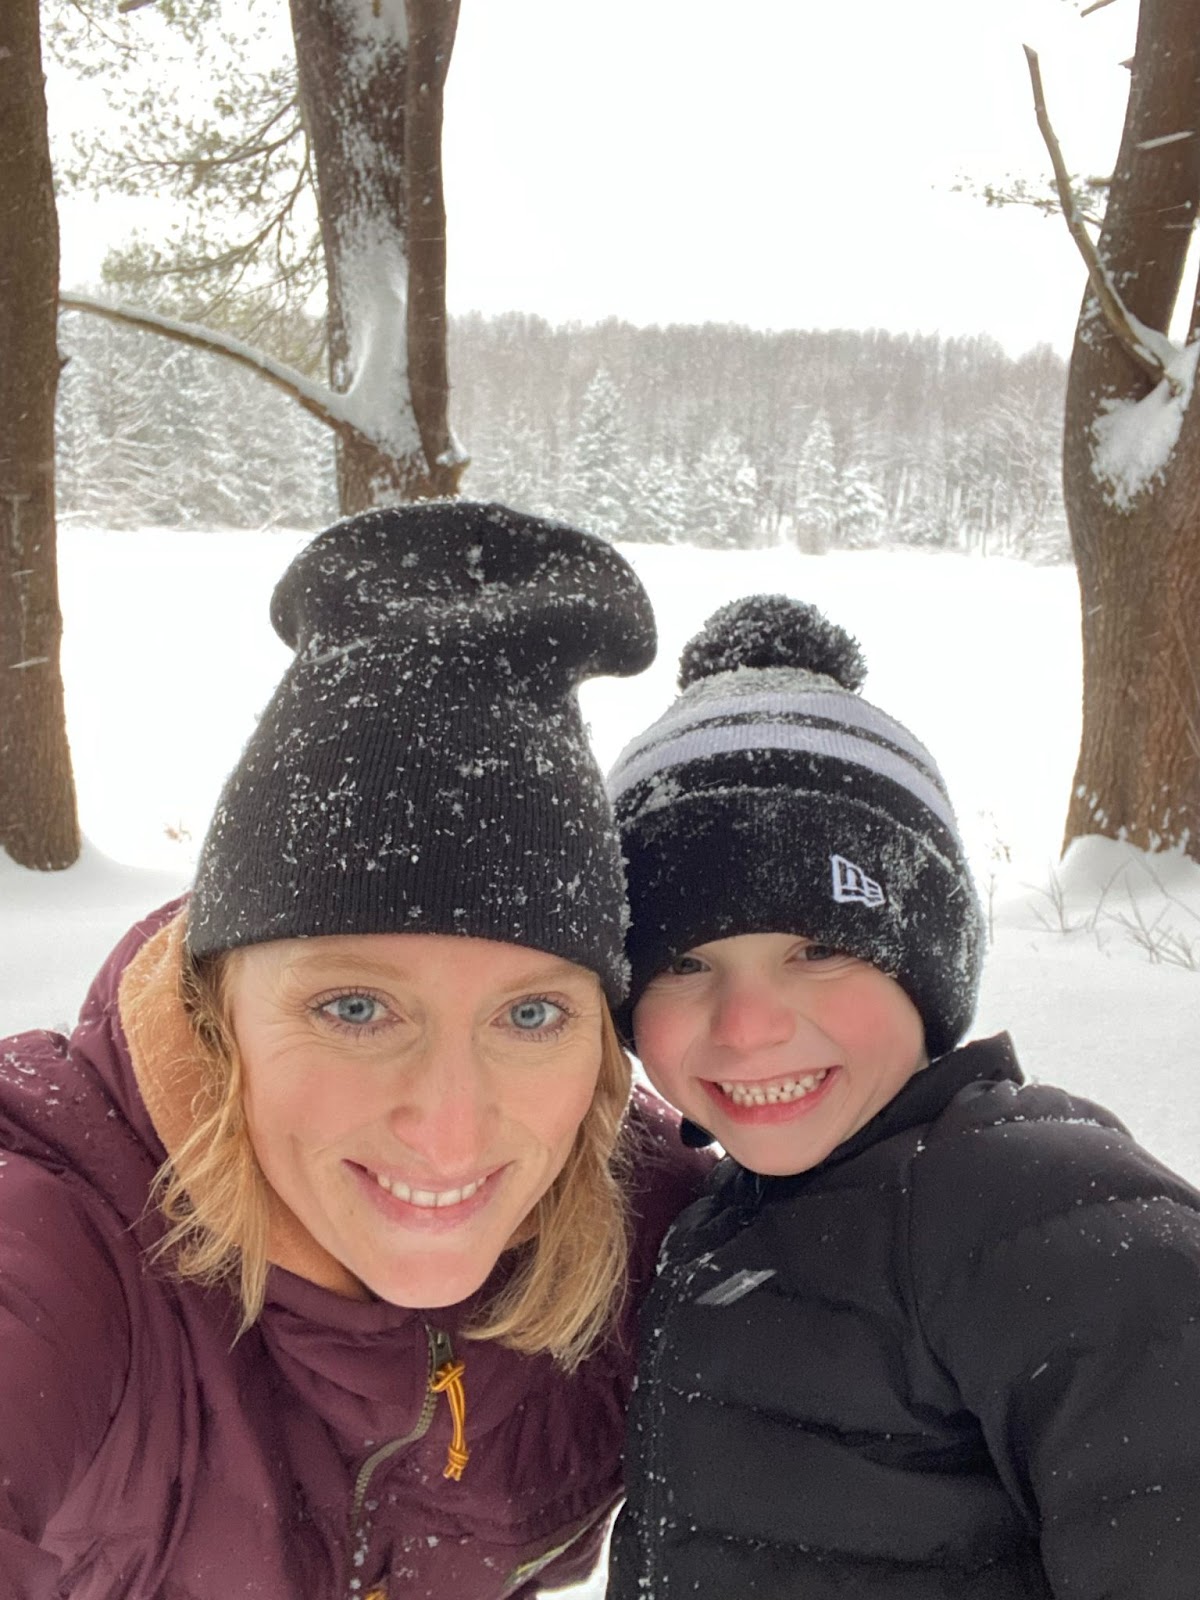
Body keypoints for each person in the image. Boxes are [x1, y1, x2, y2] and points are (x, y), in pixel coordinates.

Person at [0, 501, 710, 1600]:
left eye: (531, 1016)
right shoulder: (65, 1232)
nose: (450, 1130)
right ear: (214, 1006)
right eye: (355, 1008)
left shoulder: (656, 1231)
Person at [604, 593, 1200, 1600]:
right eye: (686, 963)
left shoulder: (1050, 1218)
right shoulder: (716, 1215)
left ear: (926, 974)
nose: (747, 1027)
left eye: (819, 949)